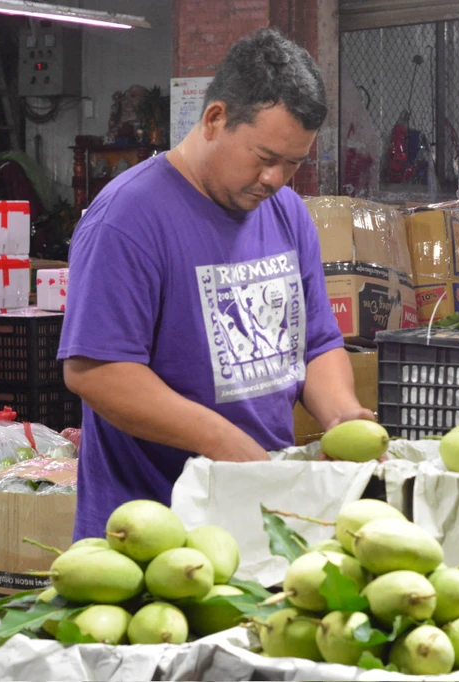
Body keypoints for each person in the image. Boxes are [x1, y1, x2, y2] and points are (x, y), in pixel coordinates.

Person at [59, 28, 375, 539]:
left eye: (292, 164)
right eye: (265, 156)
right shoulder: (128, 218)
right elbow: (97, 370)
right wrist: (223, 443)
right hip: (153, 529)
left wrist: (341, 416)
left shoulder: (287, 214)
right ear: (214, 119)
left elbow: (314, 343)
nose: (276, 178)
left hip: (258, 512)